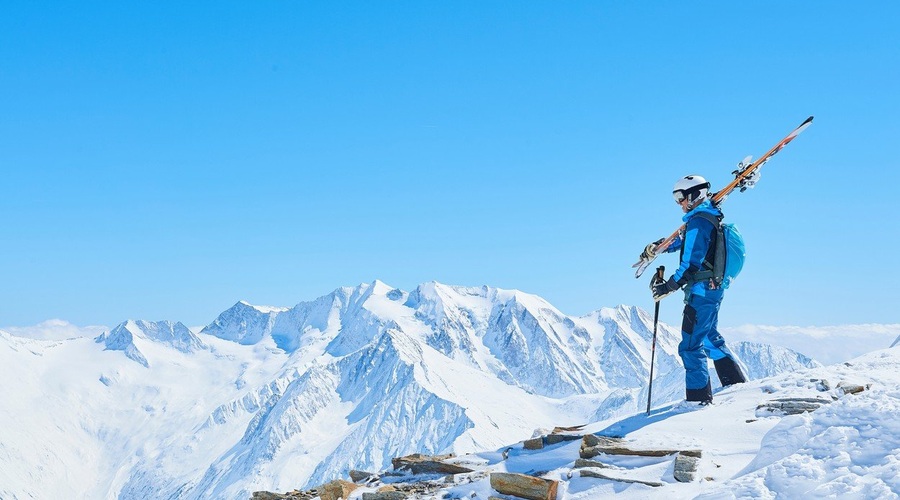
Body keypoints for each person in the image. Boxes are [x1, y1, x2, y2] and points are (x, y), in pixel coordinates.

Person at [642, 175, 747, 405]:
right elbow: (684, 241)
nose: (678, 203)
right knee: (709, 336)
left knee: (690, 346)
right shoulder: (706, 218)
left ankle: (698, 400)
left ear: (694, 195)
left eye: (680, 197)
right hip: (711, 290)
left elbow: (690, 263)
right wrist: (659, 247)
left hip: (701, 291)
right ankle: (736, 385)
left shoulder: (699, 221)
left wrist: (668, 286)